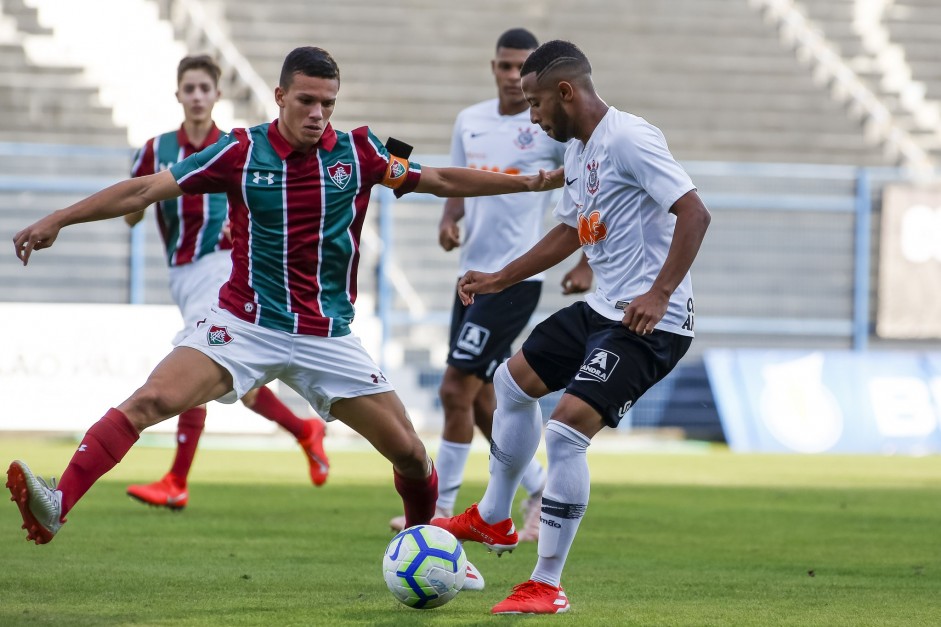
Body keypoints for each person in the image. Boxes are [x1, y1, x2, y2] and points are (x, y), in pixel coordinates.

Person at [7, 47, 559, 561]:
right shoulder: (239, 151)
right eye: (307, 101)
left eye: (328, 103)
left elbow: (437, 177)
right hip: (244, 324)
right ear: (279, 96)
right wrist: (59, 218)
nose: (319, 113)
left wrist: (530, 184)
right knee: (150, 399)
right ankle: (58, 501)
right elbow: (143, 190)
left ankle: (426, 555)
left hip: (328, 337)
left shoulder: (359, 152)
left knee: (412, 456)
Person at [431, 40, 711, 614]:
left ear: (565, 92)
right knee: (509, 385)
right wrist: (501, 278)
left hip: (650, 322)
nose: (531, 116)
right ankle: (492, 517)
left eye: (536, 104)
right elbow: (569, 233)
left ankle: (547, 583)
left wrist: (659, 294)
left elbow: (694, 212)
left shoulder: (629, 138)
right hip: (604, 308)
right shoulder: (581, 150)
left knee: (564, 434)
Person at [387, 28, 591, 542]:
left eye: (518, 67)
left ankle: (440, 512)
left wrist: (586, 260)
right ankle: (538, 486)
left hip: (517, 278)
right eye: (502, 66)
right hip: (471, 276)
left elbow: (589, 192)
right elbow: (457, 180)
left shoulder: (548, 124)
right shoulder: (470, 121)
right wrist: (448, 220)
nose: (508, 75)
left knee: (455, 388)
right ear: (493, 66)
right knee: (480, 402)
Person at [123, 54, 329, 511]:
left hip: (222, 266)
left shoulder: (235, 147)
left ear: (217, 94)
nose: (197, 96)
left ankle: (176, 479)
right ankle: (305, 429)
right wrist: (135, 203)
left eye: (204, 88)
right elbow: (133, 212)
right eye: (189, 89)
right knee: (234, 377)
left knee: (197, 359)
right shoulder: (155, 150)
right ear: (178, 94)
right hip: (182, 273)